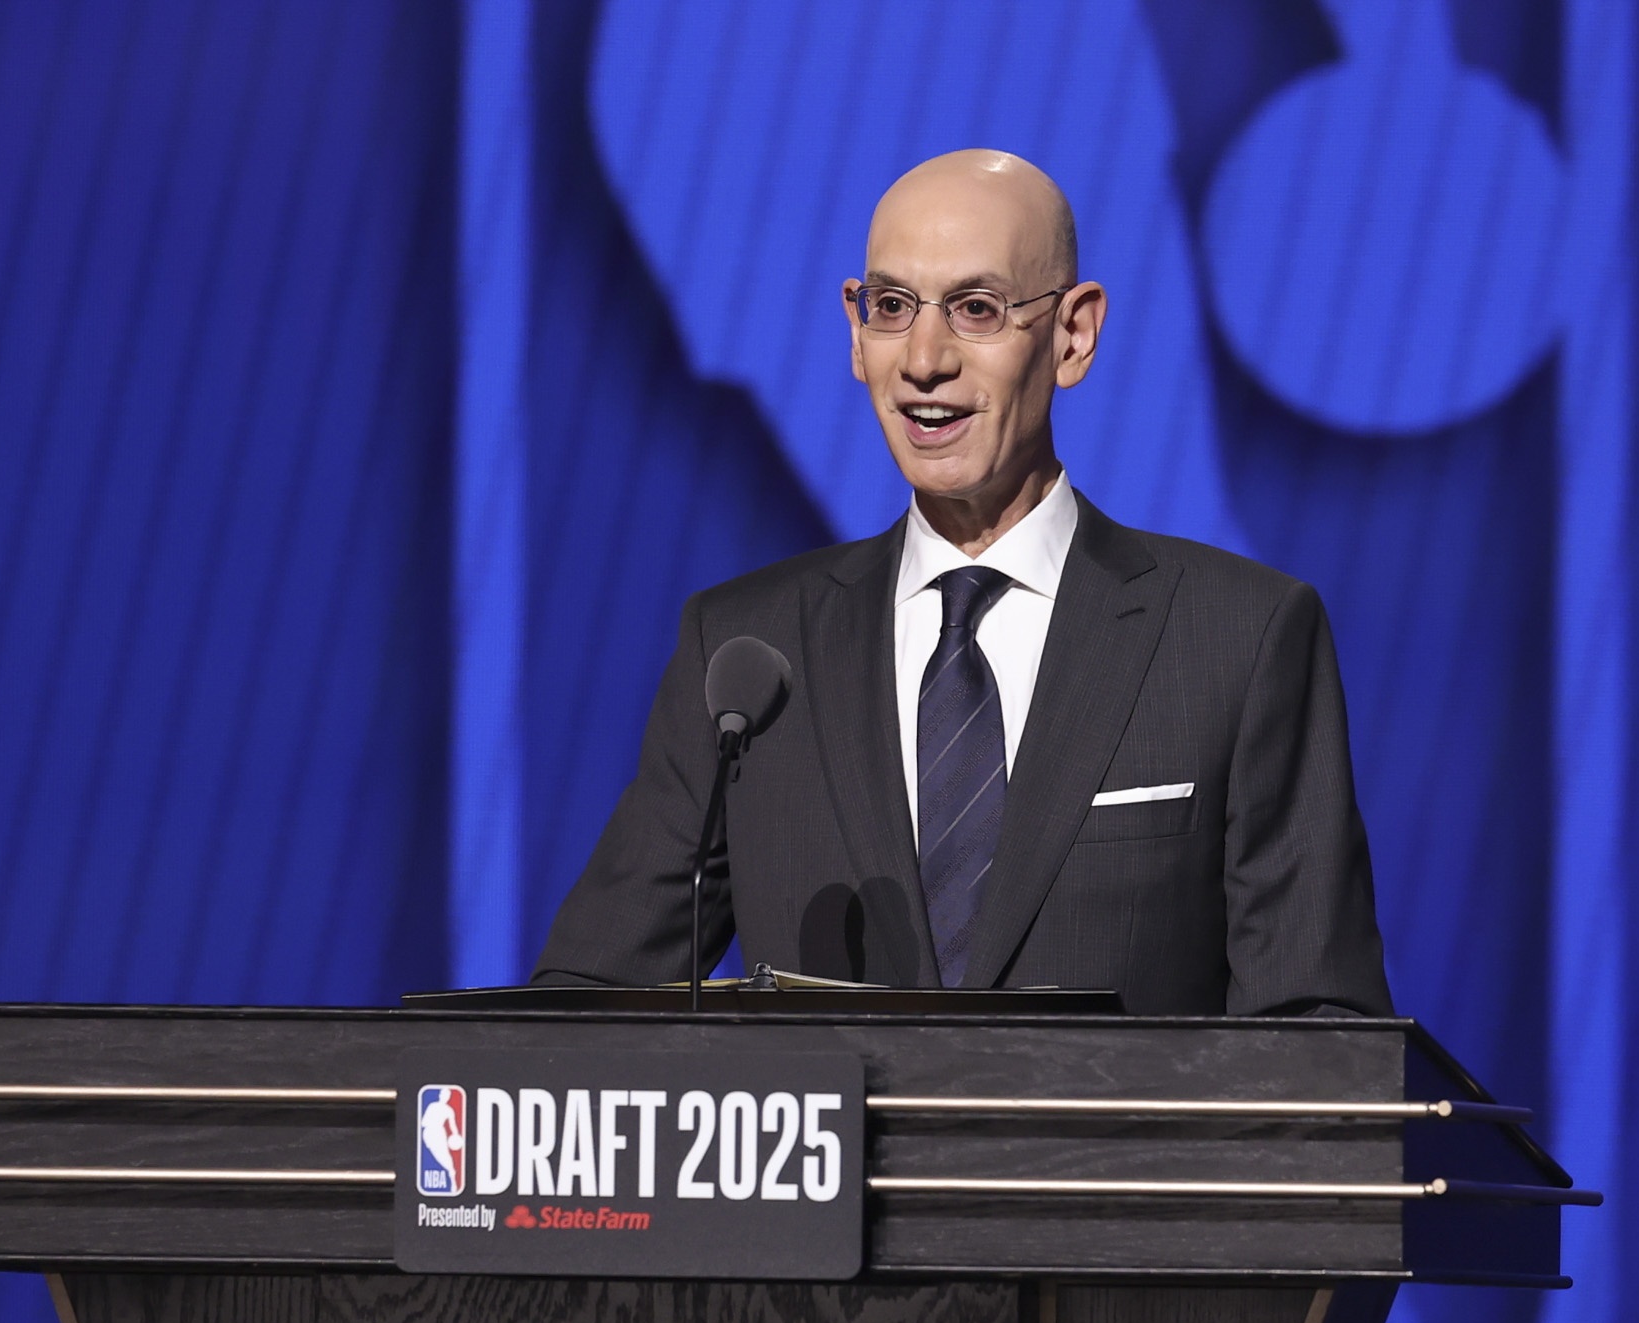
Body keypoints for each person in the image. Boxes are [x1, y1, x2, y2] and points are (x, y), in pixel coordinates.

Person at [534, 149, 1390, 1017]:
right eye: (892, 307)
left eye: (977, 308)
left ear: (1073, 335)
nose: (924, 359)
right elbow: (575, 1009)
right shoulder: (747, 654)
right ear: (855, 332)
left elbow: (1317, 1032)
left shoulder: (1237, 638)